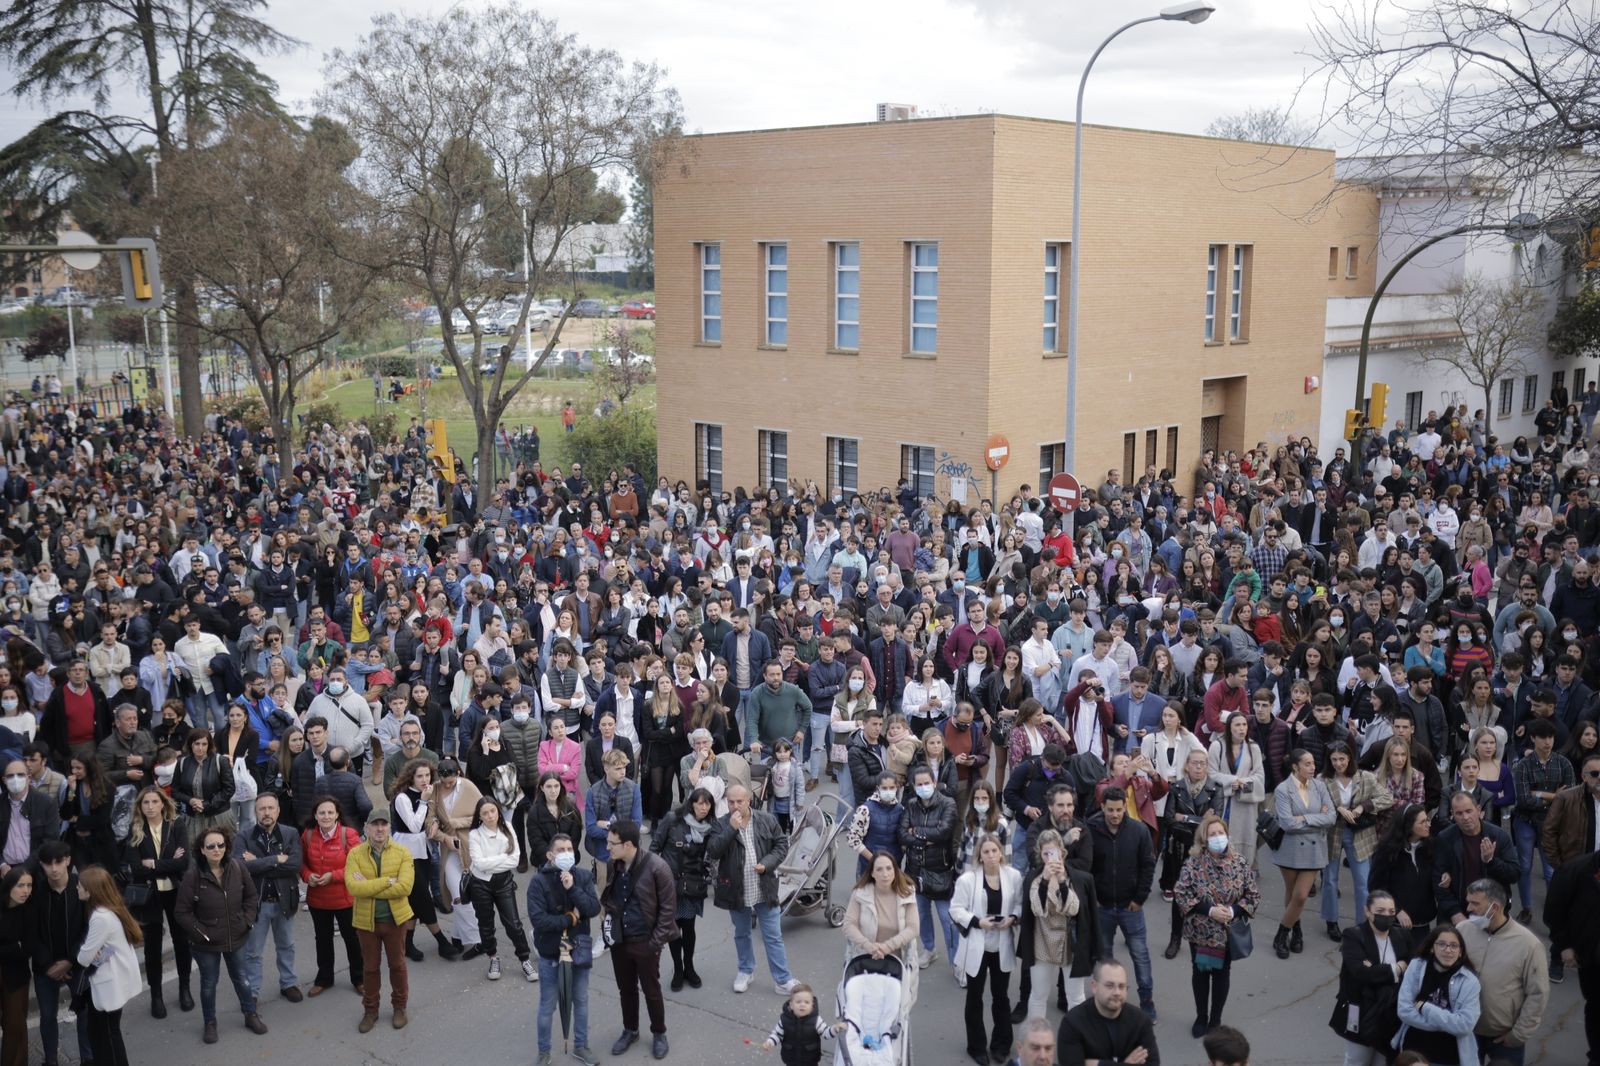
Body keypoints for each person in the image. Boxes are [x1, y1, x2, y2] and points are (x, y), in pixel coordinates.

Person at [175, 826, 269, 1044]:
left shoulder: (237, 867)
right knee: (209, 983)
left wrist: (246, 921)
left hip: (236, 937)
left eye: (221, 845)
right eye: (211, 846)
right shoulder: (193, 876)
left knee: (242, 980)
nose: (217, 849)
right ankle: (210, 1022)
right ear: (202, 850)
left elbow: (251, 897)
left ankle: (250, 1014)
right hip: (205, 944)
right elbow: (182, 912)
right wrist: (202, 933)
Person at [1172, 812, 1259, 1038]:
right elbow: (1181, 893)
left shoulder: (1239, 862)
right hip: (1201, 931)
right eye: (1213, 834)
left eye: (1221, 833)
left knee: (1222, 974)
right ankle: (1201, 1017)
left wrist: (1232, 911)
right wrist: (1210, 910)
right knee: (1201, 973)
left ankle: (1215, 1019)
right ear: (1204, 839)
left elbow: (1252, 895)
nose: (1218, 837)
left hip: (1227, 931)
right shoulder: (1193, 863)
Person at [706, 782, 796, 994]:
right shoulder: (721, 824)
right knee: (742, 933)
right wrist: (731, 829)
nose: (735, 806)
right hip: (736, 890)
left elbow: (782, 844)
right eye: (731, 802)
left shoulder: (766, 819)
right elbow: (713, 851)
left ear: (749, 801)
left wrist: (768, 863)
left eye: (740, 801)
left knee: (773, 935)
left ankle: (783, 979)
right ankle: (746, 970)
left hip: (764, 887)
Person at [600, 819, 677, 1061]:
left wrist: (654, 943)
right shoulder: (614, 865)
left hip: (646, 940)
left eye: (612, 843)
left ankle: (659, 1033)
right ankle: (630, 1030)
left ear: (629, 844)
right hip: (620, 940)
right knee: (626, 989)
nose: (608, 848)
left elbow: (668, 910)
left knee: (652, 991)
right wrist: (609, 923)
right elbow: (609, 897)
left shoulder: (658, 868)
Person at [526, 832, 602, 1066]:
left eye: (570, 849)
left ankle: (581, 1046)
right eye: (561, 850)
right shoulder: (538, 882)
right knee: (548, 1004)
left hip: (579, 949)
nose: (567, 854)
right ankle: (544, 1052)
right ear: (550, 855)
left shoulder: (583, 876)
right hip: (551, 953)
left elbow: (593, 908)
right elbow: (539, 921)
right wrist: (570, 920)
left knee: (580, 999)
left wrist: (573, 890)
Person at [1454, 878, 1548, 1066]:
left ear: (1494, 907)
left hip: (1505, 1039)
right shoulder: (1462, 930)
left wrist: (1518, 1035)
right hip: (1464, 1032)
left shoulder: (1529, 945)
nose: (1469, 908)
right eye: (1468, 902)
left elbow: (1538, 994)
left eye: (1474, 903)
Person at [951, 832, 1022, 1064]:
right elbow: (956, 909)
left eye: (994, 851)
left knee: (1001, 997)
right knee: (975, 997)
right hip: (978, 945)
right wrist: (977, 922)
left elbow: (1020, 904)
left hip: (1001, 944)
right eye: (986, 852)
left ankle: (1001, 1045)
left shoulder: (1013, 876)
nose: (991, 856)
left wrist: (1012, 917)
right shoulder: (968, 880)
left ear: (1001, 853)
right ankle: (977, 1046)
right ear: (979, 856)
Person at [1087, 786, 1157, 1018]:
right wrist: (1093, 897)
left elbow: (1148, 865)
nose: (1115, 814)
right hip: (1103, 907)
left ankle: (1146, 1000)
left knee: (1140, 955)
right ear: (1103, 807)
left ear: (1125, 807)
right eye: (1110, 810)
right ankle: (1105, 1001)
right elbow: (1086, 866)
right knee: (1104, 958)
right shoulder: (1092, 829)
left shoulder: (1138, 831)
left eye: (1119, 809)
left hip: (1131, 907)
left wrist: (1140, 898)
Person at [346, 807, 414, 1032]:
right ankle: (370, 1010)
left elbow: (405, 887)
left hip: (395, 921)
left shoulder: (403, 852)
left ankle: (399, 1007)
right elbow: (353, 887)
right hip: (367, 923)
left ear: (389, 828)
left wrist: (369, 886)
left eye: (384, 824)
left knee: (397, 965)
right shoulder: (355, 853)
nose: (379, 828)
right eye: (375, 824)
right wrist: (387, 882)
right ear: (366, 828)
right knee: (370, 968)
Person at [1329, 891, 1414, 1066]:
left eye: (1391, 912)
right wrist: (1396, 968)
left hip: (1390, 1012)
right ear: (1367, 911)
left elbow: (1411, 968)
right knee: (1357, 1060)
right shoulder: (1353, 935)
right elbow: (1361, 973)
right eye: (1381, 910)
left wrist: (1375, 969)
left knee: (1384, 1061)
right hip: (1359, 1009)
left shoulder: (1401, 936)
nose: (1387, 916)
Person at [1320, 742, 1393, 942]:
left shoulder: (1365, 777)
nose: (1338, 764)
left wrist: (1363, 807)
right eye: (1334, 760)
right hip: (1332, 832)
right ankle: (1331, 921)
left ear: (1350, 759)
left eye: (1342, 759)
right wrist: (1337, 809)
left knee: (1362, 882)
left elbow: (1387, 798)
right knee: (1330, 880)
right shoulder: (1323, 779)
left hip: (1359, 834)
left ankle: (1363, 922)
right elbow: (1318, 805)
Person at [389, 758, 461, 961]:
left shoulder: (430, 792)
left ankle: (407, 943)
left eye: (427, 775)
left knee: (415, 899)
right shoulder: (403, 797)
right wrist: (423, 800)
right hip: (406, 853)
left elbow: (433, 816)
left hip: (424, 851)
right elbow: (413, 825)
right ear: (411, 777)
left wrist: (435, 823)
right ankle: (441, 941)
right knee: (424, 897)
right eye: (419, 776)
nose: (424, 779)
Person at [30, 841, 92, 1066]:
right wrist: (48, 964)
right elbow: (31, 933)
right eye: (48, 864)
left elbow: (90, 929)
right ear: (41, 865)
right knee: (47, 1016)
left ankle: (88, 1057)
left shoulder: (82, 887)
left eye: (58, 862)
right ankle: (51, 1060)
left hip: (78, 964)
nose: (54, 868)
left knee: (83, 1013)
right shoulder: (35, 891)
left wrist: (70, 961)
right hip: (44, 968)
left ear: (68, 860)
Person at [238, 792, 303, 1005]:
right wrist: (275, 859)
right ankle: (253, 992)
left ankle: (288, 983)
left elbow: (294, 865)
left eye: (270, 808)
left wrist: (259, 863)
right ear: (255, 812)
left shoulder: (291, 833)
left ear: (278, 810)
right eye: (261, 809)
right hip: (257, 904)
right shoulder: (244, 836)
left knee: (287, 945)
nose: (266, 813)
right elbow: (240, 867)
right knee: (253, 953)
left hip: (284, 901)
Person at [1270, 748, 1335, 959]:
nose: (1313, 767)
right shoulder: (1282, 789)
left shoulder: (1320, 786)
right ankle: (1296, 931)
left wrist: (1304, 819)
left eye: (1313, 763)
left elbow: (1331, 817)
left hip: (1315, 849)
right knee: (1292, 894)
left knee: (1301, 895)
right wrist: (1317, 818)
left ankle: (1282, 934)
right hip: (1290, 849)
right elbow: (1288, 824)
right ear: (1295, 767)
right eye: (1307, 764)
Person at [74, 866, 142, 1066]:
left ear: (90, 890)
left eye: (80, 885)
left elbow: (83, 958)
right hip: (114, 981)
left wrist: (86, 951)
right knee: (102, 1032)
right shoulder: (110, 908)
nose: (77, 887)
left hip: (109, 985)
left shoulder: (100, 918)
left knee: (107, 1036)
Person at [299, 796, 365, 996]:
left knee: (352, 940)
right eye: (322, 813)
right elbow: (300, 863)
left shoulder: (349, 834)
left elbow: (358, 866)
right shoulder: (308, 835)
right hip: (318, 900)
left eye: (330, 812)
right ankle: (324, 978)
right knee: (323, 940)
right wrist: (307, 876)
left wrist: (333, 876)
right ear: (315, 815)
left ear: (337, 815)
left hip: (345, 899)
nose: (326, 816)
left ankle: (359, 978)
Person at [465, 796, 535, 983]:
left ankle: (525, 959)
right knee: (486, 924)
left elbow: (515, 859)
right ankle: (493, 957)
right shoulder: (475, 835)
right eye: (485, 813)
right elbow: (479, 864)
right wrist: (502, 858)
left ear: (498, 811)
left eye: (493, 811)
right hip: (480, 884)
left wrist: (492, 862)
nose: (490, 816)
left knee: (513, 923)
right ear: (479, 816)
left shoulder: (508, 827)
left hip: (503, 882)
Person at [1391, 925, 1481, 1066]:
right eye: (1442, 944)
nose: (1448, 950)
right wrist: (1447, 1025)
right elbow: (1404, 1011)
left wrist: (1425, 1008)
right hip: (1414, 1056)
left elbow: (1464, 1025)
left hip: (1449, 1059)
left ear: (1460, 952)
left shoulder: (1469, 981)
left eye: (1454, 946)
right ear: (1432, 947)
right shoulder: (1417, 966)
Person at [843, 851, 920, 1013]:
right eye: (879, 869)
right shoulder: (860, 893)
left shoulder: (907, 892)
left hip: (898, 964)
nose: (885, 874)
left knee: (897, 1015)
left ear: (895, 870)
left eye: (889, 868)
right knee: (866, 1012)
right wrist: (869, 946)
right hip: (866, 962)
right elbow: (849, 925)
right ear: (872, 873)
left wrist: (886, 947)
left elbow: (913, 928)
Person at [654, 787, 714, 991]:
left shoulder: (709, 827)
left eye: (707, 804)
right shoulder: (673, 819)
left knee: (689, 928)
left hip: (693, 886)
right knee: (673, 930)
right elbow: (655, 848)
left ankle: (689, 966)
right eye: (699, 803)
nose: (703, 807)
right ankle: (678, 969)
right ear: (691, 803)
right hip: (670, 886)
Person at [1545, 845, 1600, 1065]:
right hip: (1593, 959)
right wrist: (1564, 945)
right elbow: (1554, 911)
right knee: (1597, 1008)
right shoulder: (1575, 871)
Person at [900, 762, 959, 968]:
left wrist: (915, 833)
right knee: (922, 915)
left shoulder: (948, 804)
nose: (923, 786)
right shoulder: (910, 804)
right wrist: (925, 838)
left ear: (934, 783)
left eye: (927, 782)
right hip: (915, 870)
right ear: (914, 786)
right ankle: (929, 949)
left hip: (940, 870)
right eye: (919, 784)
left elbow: (944, 833)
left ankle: (956, 960)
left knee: (947, 919)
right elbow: (901, 834)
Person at [1023, 828, 1082, 1022]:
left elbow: (1073, 908)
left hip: (1070, 943)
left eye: (1054, 853)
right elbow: (1037, 909)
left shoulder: (1075, 877)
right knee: (1038, 995)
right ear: (1040, 854)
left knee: (1076, 997)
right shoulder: (1034, 879)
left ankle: (1079, 1042)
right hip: (1043, 941)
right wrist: (1046, 880)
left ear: (1062, 852)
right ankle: (1034, 1041)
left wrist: (1062, 880)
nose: (1050, 858)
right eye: (1046, 854)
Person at [1056, 958, 1159, 1066]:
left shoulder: (1141, 1021)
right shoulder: (1073, 1023)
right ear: (1094, 986)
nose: (1117, 992)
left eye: (1122, 986)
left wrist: (1098, 1064)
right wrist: (1127, 1064)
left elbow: (1153, 1063)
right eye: (1110, 986)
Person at [1367, 803, 1438, 930]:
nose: (1428, 825)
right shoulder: (1386, 852)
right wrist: (1397, 910)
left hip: (1423, 922)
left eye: (1427, 820)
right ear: (1409, 826)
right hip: (1396, 925)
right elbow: (1376, 887)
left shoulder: (1430, 848)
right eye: (1422, 822)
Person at [758, 982, 846, 1066]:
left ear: (812, 1005)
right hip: (791, 1059)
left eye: (806, 1002)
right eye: (798, 1002)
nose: (802, 1005)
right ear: (791, 1005)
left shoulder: (816, 1020)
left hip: (810, 1060)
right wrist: (770, 1042)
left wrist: (834, 1028)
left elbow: (825, 1033)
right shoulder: (785, 1020)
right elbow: (777, 1034)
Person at [0, 865, 31, 1066]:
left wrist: (15, 948)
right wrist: (14, 946)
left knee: (15, 1027)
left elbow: (27, 948)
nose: (26, 890)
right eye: (21, 885)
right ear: (9, 886)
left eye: (29, 885)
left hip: (16, 977)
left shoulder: (29, 910)